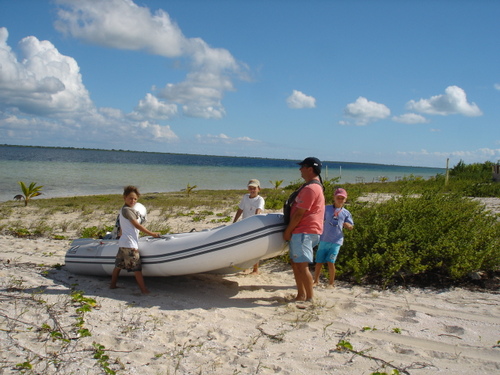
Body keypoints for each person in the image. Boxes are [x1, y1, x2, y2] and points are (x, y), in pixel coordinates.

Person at [283, 157, 325, 303]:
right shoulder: (314, 186)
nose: (300, 169)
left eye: (302, 167)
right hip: (306, 231)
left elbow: (300, 213)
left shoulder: (311, 188)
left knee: (302, 265)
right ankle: (301, 294)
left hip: (304, 231)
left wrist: (288, 230)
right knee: (296, 263)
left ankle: (310, 298)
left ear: (310, 169)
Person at [110, 186, 160, 294]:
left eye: (135, 199)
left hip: (123, 243)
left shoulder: (122, 209)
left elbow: (123, 227)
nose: (133, 201)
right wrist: (152, 234)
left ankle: (112, 285)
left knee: (118, 266)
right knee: (137, 269)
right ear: (124, 197)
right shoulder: (128, 210)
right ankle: (143, 290)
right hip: (130, 244)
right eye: (130, 198)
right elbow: (137, 225)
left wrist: (120, 234)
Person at [313, 188, 354, 288]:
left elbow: (351, 225)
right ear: (334, 198)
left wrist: (348, 225)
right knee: (319, 262)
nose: (340, 199)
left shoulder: (346, 213)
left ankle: (331, 283)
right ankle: (316, 281)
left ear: (345, 199)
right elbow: (318, 217)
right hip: (324, 239)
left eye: (342, 198)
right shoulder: (326, 209)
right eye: (338, 197)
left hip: (336, 241)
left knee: (331, 262)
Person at [233, 179, 265, 274]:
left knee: (256, 248)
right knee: (245, 247)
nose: (252, 190)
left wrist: (254, 223)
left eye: (254, 188)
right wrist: (234, 222)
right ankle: (246, 267)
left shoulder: (260, 199)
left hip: (255, 226)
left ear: (258, 189)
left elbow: (258, 211)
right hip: (244, 225)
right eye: (250, 188)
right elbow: (240, 209)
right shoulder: (245, 197)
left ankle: (255, 269)